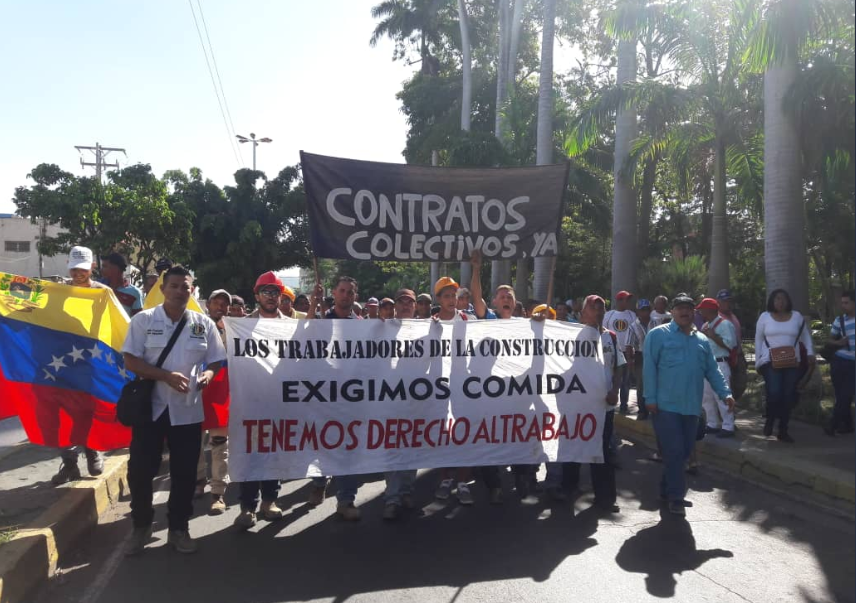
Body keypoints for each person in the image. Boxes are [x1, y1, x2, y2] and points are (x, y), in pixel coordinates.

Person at [122, 265, 226, 555]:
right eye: (175, 286)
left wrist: (208, 376)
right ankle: (140, 527)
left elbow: (216, 360)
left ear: (192, 290)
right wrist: (164, 376)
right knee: (140, 473)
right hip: (151, 410)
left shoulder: (202, 323)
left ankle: (179, 528)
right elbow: (130, 361)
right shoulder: (143, 320)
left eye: (186, 286)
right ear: (163, 289)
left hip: (188, 411)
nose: (181, 291)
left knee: (184, 474)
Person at [644, 292, 734, 516]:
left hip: (691, 407)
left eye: (688, 308)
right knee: (674, 451)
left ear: (694, 312)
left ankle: (666, 489)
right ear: (672, 312)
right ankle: (676, 496)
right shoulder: (657, 335)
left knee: (683, 453)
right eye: (679, 308)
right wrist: (650, 399)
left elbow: (712, 371)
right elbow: (649, 368)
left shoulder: (702, 340)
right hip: (665, 406)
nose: (684, 311)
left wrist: (726, 394)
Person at [469, 251, 538, 502]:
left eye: (510, 296)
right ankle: (494, 485)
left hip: (518, 395)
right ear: (495, 303)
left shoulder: (525, 325)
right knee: (489, 439)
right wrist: (476, 269)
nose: (506, 299)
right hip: (490, 395)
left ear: (515, 302)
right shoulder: (488, 319)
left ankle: (521, 475)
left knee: (519, 435)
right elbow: (476, 298)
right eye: (502, 296)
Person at [545, 295, 623, 512]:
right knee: (574, 444)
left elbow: (618, 367)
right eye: (593, 307)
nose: (598, 311)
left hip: (603, 406)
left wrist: (615, 390)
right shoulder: (569, 337)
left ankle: (605, 497)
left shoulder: (611, 338)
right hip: (576, 405)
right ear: (583, 313)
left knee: (604, 450)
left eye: (601, 308)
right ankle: (569, 488)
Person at [233, 272, 290, 530]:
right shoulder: (240, 327)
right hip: (249, 401)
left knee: (273, 452)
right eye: (266, 292)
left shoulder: (291, 326)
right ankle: (247, 507)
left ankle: (270, 501)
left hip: (279, 401)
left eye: (275, 292)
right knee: (250, 454)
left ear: (281, 296)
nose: (271, 296)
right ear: (256, 296)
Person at [306, 276, 364, 520]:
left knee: (349, 446)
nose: (346, 295)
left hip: (351, 397)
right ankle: (319, 482)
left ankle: (346, 500)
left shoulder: (362, 324)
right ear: (334, 293)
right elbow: (303, 336)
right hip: (322, 394)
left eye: (350, 292)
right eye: (342, 291)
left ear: (355, 296)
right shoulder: (321, 319)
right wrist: (311, 305)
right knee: (321, 443)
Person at [50, 246, 108, 486]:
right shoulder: (58, 291)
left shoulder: (103, 292)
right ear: (67, 264)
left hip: (91, 361)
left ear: (92, 267)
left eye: (83, 269)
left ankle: (93, 450)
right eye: (74, 268)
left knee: (88, 409)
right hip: (62, 361)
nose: (78, 273)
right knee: (63, 413)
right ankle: (69, 463)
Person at [431, 276, 475, 505]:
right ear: (438, 299)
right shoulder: (431, 323)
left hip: (463, 387)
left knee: (464, 433)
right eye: (446, 296)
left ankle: (463, 481)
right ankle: (446, 478)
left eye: (454, 296)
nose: (451, 300)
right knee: (443, 434)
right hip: (439, 387)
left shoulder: (468, 320)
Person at [754, 289, 815, 442]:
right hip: (770, 361)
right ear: (772, 301)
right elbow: (758, 339)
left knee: (788, 396)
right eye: (777, 299)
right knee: (774, 393)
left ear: (788, 301)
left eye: (783, 299)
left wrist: (810, 352)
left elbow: (805, 335)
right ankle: (770, 419)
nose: (780, 302)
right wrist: (757, 361)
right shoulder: (765, 317)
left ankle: (783, 430)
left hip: (792, 361)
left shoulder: (796, 317)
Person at [381, 288, 420, 520]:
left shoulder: (427, 329)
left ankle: (406, 491)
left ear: (415, 306)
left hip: (416, 400)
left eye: (410, 302)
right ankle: (392, 498)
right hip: (389, 399)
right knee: (393, 449)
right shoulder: (383, 328)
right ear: (395, 305)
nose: (406, 305)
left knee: (412, 448)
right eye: (402, 301)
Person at [194, 289, 232, 515]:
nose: (220, 307)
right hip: (197, 392)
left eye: (224, 304)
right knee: (194, 443)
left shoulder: (234, 328)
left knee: (219, 444)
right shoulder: (196, 327)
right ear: (207, 304)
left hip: (221, 394)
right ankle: (198, 481)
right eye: (216, 302)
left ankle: (218, 492)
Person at [697, 297, 738, 438]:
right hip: (706, 364)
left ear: (710, 309)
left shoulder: (725, 324)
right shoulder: (705, 326)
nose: (700, 312)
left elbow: (731, 345)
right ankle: (712, 423)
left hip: (720, 362)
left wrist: (714, 336)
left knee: (722, 395)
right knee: (707, 396)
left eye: (702, 309)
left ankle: (728, 425)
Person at [825, 290, 855, 436]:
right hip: (839, 360)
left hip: (853, 364)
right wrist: (839, 342)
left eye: (846, 303)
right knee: (841, 395)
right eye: (842, 303)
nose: (843, 306)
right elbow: (829, 339)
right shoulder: (840, 320)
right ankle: (847, 424)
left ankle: (833, 423)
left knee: (846, 394)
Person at [604, 291, 637, 414]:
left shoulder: (632, 315)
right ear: (618, 301)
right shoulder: (609, 315)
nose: (627, 302)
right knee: (611, 378)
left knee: (625, 380)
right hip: (612, 351)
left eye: (628, 299)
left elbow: (634, 333)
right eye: (624, 299)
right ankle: (609, 402)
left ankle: (624, 404)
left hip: (626, 351)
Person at [100, 252, 143, 317]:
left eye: (105, 266)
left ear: (116, 268)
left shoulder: (135, 293)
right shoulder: (98, 288)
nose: (101, 270)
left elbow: (138, 320)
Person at [631, 299, 653, 421]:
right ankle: (642, 411)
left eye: (647, 309)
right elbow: (629, 345)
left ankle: (654, 410)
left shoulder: (656, 323)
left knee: (655, 383)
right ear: (638, 311)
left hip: (655, 356)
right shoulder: (633, 326)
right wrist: (630, 361)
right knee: (641, 385)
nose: (645, 312)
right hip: (640, 356)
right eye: (642, 310)